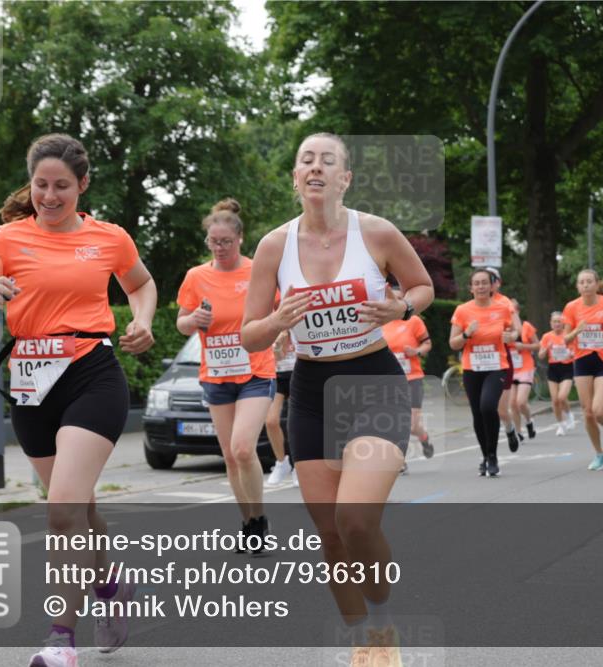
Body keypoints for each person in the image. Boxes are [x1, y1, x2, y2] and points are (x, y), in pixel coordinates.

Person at [0, 134, 157, 667]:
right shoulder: (7, 239)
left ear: (82, 185)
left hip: (91, 374)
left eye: (61, 186)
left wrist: (142, 320)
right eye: (41, 185)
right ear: (31, 184)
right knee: (80, 508)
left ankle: (60, 640)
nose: (49, 196)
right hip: (31, 386)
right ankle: (110, 586)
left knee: (63, 510)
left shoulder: (109, 237)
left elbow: (141, 284)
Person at [240, 133, 434, 664]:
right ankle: (365, 640)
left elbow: (422, 287)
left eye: (329, 161)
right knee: (329, 532)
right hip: (311, 392)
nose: (317, 167)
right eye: (307, 159)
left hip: (373, 383)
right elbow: (250, 335)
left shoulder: (376, 232)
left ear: (345, 179)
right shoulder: (274, 246)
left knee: (355, 520)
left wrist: (402, 308)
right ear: (295, 178)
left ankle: (383, 621)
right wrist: (277, 321)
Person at [177, 198, 277, 551]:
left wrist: (279, 335)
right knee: (231, 457)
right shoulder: (196, 277)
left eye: (226, 242)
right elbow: (181, 323)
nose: (219, 248)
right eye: (213, 242)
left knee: (243, 447)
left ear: (240, 239)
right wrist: (193, 320)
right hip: (216, 375)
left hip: (256, 371)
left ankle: (260, 518)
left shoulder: (257, 271)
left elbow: (279, 312)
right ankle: (248, 521)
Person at [449, 269, 519, 476]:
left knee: (488, 406)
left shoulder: (502, 308)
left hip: (496, 366)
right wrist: (466, 334)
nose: (480, 286)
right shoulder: (462, 311)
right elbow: (453, 343)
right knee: (477, 413)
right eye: (476, 283)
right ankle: (486, 456)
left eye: (484, 283)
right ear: (471, 288)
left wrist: (511, 336)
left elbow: (515, 331)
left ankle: (493, 455)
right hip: (472, 368)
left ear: (491, 286)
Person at [562, 269, 603, 470]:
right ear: (578, 287)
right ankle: (599, 454)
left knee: (597, 410)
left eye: (589, 281)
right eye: (582, 282)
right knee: (587, 413)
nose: (586, 285)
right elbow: (566, 339)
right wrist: (577, 331)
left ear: (596, 284)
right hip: (582, 360)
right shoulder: (571, 307)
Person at [382, 279, 434, 474]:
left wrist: (416, 351)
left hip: (412, 378)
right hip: (389, 381)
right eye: (390, 299)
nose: (393, 302)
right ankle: (399, 460)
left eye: (398, 299)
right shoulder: (381, 323)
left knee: (411, 425)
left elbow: (427, 344)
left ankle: (424, 437)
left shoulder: (413, 321)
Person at [484, 267, 523, 451]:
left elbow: (518, 329)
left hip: (501, 358)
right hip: (478, 360)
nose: (485, 285)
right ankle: (488, 452)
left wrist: (512, 336)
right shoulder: (472, 304)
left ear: (497, 283)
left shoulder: (504, 302)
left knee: (501, 410)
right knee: (483, 408)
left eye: (491, 280)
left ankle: (509, 429)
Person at [265, 330, 297, 486]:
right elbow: (276, 357)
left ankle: (298, 465)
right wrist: (278, 344)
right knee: (271, 421)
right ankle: (282, 463)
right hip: (277, 376)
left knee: (296, 423)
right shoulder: (272, 326)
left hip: (297, 374)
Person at [537, 312, 576, 435]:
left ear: (563, 323)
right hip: (553, 368)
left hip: (567, 368)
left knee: (562, 397)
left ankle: (569, 415)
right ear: (551, 323)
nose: (557, 324)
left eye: (559, 321)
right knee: (555, 400)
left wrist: (571, 354)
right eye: (554, 321)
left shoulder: (568, 336)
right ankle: (561, 425)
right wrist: (545, 349)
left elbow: (575, 352)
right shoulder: (547, 336)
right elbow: (541, 355)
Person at [507, 298, 539, 445]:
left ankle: (529, 420)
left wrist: (524, 347)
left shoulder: (526, 326)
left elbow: (538, 345)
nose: (511, 314)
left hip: (525, 367)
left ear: (518, 311)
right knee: (512, 404)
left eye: (513, 311)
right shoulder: (504, 328)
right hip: (511, 368)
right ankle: (519, 433)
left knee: (521, 402)